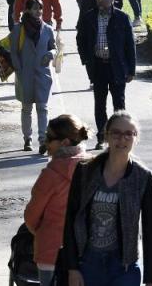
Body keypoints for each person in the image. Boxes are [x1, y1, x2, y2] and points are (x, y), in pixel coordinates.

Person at [62, 112, 152, 286]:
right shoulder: (85, 171)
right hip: (88, 264)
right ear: (106, 135)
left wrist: (151, 279)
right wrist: (72, 268)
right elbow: (70, 219)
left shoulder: (142, 177)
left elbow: (151, 230)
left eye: (128, 134)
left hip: (124, 267)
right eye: (116, 133)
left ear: (136, 138)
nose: (122, 139)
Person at [24, 115, 91, 286]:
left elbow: (31, 217)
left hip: (50, 251)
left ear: (65, 142)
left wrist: (43, 232)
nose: (45, 142)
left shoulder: (50, 175)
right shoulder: (94, 168)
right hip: (86, 251)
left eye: (49, 138)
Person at [77, 0, 136, 149]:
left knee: (119, 104)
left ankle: (119, 137)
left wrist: (131, 70)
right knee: (99, 103)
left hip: (117, 67)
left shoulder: (122, 18)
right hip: (98, 67)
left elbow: (130, 45)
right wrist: (85, 59)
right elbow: (80, 39)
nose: (100, 1)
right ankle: (102, 137)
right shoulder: (89, 17)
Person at [10, 0, 58, 153]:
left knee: (43, 107)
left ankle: (43, 140)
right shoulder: (19, 29)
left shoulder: (48, 29)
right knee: (27, 108)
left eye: (40, 8)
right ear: (28, 10)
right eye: (35, 8)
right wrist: (19, 69)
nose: (39, 11)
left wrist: (50, 54)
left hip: (43, 74)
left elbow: (54, 48)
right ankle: (27, 138)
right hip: (25, 74)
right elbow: (13, 52)